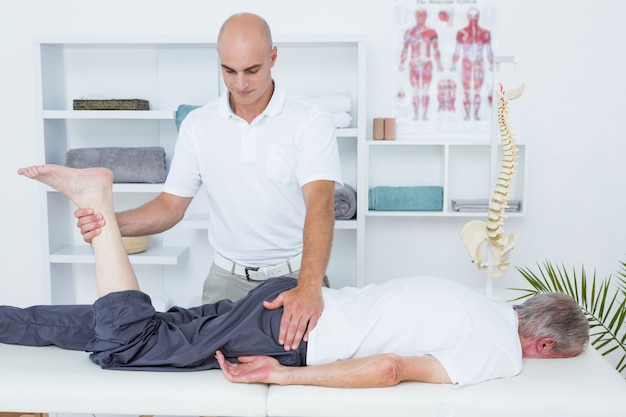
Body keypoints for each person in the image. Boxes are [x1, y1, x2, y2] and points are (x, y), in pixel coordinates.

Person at [5, 164, 590, 388]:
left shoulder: (475, 301)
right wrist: (278, 379)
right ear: (542, 344)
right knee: (133, 342)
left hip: (282, 305)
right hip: (290, 334)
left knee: (143, 328)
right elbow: (391, 369)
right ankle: (97, 204)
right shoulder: (501, 351)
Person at [73, 12, 342, 351]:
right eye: (229, 70)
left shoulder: (309, 119)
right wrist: (109, 224)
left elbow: (321, 203)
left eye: (252, 70)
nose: (240, 83)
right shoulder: (198, 125)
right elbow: (170, 207)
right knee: (220, 391)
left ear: (273, 57)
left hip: (294, 279)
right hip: (224, 283)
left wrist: (309, 286)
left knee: (300, 387)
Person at [398, 8, 444, 121]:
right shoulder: (409, 32)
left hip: (427, 64)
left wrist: (439, 64)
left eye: (423, 16)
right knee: (415, 90)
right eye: (419, 15)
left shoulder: (431, 32)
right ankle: (415, 115)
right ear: (415, 17)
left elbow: (436, 49)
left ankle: (424, 115)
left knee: (425, 90)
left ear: (426, 17)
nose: (421, 18)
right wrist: (401, 63)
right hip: (414, 64)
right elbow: (405, 49)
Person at [450, 7, 494, 121]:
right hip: (466, 65)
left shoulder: (485, 33)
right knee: (467, 90)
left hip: (479, 64)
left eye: (475, 17)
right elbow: (457, 50)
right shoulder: (461, 33)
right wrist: (453, 63)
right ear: (467, 17)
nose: (473, 19)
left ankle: (476, 114)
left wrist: (492, 63)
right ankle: (467, 115)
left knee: (477, 90)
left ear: (479, 17)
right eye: (471, 17)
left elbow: (489, 50)